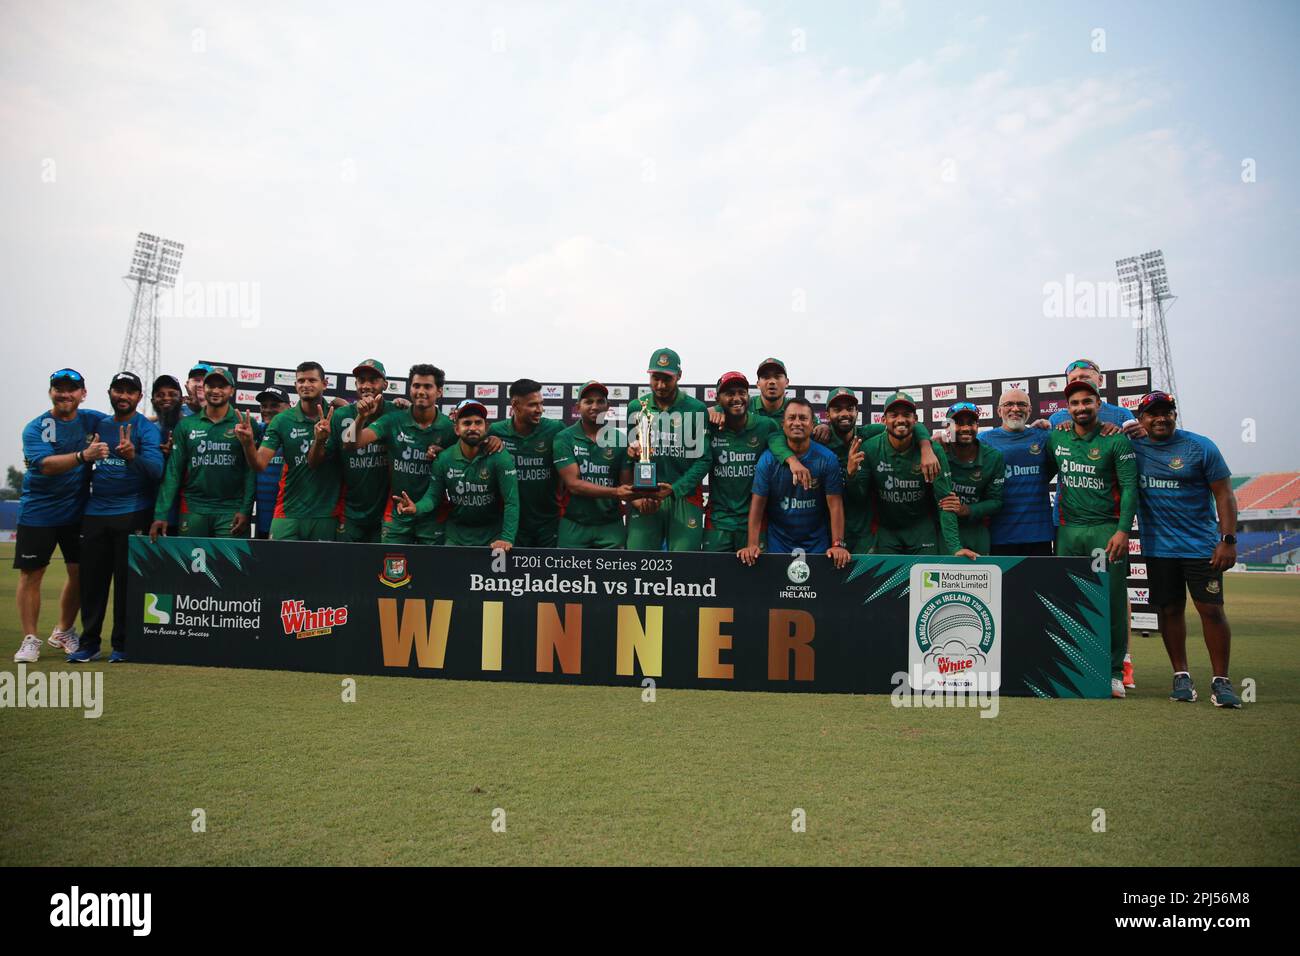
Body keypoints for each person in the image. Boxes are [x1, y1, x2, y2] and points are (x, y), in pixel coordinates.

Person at [1131, 391, 1242, 708]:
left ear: (1175, 415)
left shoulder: (1200, 446)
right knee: (1169, 611)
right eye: (1152, 413)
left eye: (1166, 412)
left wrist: (1228, 539)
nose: (1160, 418)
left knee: (1211, 610)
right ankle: (1181, 675)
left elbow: (1225, 495)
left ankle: (1221, 680)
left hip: (1202, 548)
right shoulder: (1132, 447)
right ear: (1141, 419)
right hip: (1158, 548)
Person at [1045, 379, 1139, 699]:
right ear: (1067, 409)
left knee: (1110, 601)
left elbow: (1129, 489)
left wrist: (1123, 531)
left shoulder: (1116, 440)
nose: (1081, 408)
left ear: (1098, 404)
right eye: (1075, 403)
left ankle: (1113, 672)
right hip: (1068, 530)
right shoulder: (1056, 436)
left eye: (1087, 402)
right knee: (1068, 598)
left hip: (1104, 530)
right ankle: (1072, 664)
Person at [12, 369, 107, 663]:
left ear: (83, 393)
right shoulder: (36, 427)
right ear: (51, 391)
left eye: (71, 389)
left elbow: (125, 423)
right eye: (59, 388)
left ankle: (64, 630)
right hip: (38, 512)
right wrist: (82, 456)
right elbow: (45, 465)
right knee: (32, 574)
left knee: (80, 573)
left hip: (77, 512)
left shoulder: (91, 418)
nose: (65, 394)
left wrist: (166, 422)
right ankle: (30, 639)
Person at [71, 372, 163, 663]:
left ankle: (121, 645)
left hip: (132, 512)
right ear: (109, 392)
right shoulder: (97, 423)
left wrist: (132, 456)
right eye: (118, 390)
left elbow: (157, 472)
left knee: (125, 585)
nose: (124, 396)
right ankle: (89, 644)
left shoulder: (145, 429)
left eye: (130, 392)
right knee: (92, 583)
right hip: (95, 513)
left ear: (139, 397)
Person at [809, 386, 941, 553]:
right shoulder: (820, 439)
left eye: (850, 409)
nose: (844, 414)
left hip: (863, 528)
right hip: (826, 525)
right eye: (837, 410)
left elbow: (912, 425)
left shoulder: (868, 434)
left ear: (857, 412)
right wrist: (821, 426)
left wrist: (925, 446)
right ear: (827, 415)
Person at [856, 393, 974, 558]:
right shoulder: (870, 447)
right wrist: (851, 475)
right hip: (887, 530)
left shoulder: (934, 451)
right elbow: (858, 497)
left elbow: (945, 502)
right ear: (883, 420)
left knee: (925, 582)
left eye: (906, 414)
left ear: (916, 419)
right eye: (894, 415)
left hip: (921, 530)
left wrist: (955, 547)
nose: (900, 419)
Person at [738, 398, 851, 568]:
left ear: (813, 425)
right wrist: (752, 544)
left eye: (803, 418)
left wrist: (838, 545)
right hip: (778, 544)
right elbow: (757, 505)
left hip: (818, 545)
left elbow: (835, 505)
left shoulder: (827, 459)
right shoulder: (767, 460)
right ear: (783, 424)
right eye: (791, 418)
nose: (797, 423)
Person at [350, 364, 456, 545]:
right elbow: (353, 442)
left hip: (433, 516)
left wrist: (445, 454)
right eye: (416, 386)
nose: (421, 391)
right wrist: (361, 417)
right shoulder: (394, 420)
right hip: (397, 513)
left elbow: (466, 460)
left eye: (427, 386)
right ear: (410, 388)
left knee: (434, 571)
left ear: (439, 392)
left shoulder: (448, 427)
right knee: (390, 571)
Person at [237, 361, 341, 541]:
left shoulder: (339, 416)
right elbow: (259, 464)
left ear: (324, 384)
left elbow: (315, 462)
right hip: (289, 511)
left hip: (326, 514)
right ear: (295, 385)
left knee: (323, 569)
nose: (306, 385)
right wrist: (247, 444)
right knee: (279, 568)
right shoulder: (282, 420)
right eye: (301, 381)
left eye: (312, 380)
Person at [395, 400, 519, 549]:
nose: (473, 428)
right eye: (466, 423)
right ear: (456, 429)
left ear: (486, 427)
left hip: (493, 535)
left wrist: (506, 538)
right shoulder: (444, 459)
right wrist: (417, 508)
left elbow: (511, 501)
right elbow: (433, 497)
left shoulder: (499, 456)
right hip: (456, 535)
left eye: (478, 423)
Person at [150, 367, 255, 541]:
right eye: (211, 386)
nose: (215, 391)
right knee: (191, 567)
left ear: (232, 391)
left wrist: (245, 510)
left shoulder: (244, 423)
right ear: (203, 389)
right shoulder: (186, 425)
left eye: (222, 386)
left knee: (230, 566)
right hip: (193, 508)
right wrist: (161, 514)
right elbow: (173, 472)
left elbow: (251, 471)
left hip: (231, 510)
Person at [626, 348, 712, 551]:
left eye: (667, 378)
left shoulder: (696, 409)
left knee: (684, 567)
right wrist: (632, 455)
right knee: (639, 562)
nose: (660, 385)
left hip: (684, 495)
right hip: (647, 495)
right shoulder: (636, 407)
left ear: (679, 376)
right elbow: (631, 456)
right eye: (655, 377)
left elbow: (704, 459)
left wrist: (675, 489)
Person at [705, 372, 783, 553]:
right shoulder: (709, 424)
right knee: (714, 578)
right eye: (729, 393)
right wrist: (707, 411)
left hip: (755, 521)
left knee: (755, 580)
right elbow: (687, 415)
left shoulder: (766, 425)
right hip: (719, 520)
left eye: (741, 392)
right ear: (718, 399)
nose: (737, 398)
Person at [552, 381, 636, 549]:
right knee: (568, 575)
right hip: (573, 523)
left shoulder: (620, 439)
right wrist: (616, 492)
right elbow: (574, 485)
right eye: (588, 401)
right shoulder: (564, 438)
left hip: (611, 525)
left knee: (613, 575)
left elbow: (626, 485)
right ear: (577, 407)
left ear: (608, 406)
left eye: (600, 401)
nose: (595, 406)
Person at [489, 378, 565, 547]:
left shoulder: (555, 428)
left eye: (541, 404)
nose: (540, 410)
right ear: (515, 405)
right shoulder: (495, 431)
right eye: (533, 405)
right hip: (512, 522)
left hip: (549, 520)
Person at [332, 359, 400, 543]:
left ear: (385, 384)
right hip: (350, 512)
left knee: (381, 570)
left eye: (373, 380)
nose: (367, 385)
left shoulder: (398, 412)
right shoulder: (341, 415)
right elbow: (339, 451)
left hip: (387, 514)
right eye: (362, 380)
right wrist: (362, 417)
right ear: (356, 384)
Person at [980, 388, 1055, 556]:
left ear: (1029, 410)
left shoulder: (1044, 437)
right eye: (1009, 404)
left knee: (1040, 583)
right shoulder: (983, 440)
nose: (1015, 409)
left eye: (1021, 404)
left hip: (1038, 534)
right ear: (999, 411)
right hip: (999, 534)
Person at [940, 402, 1006, 555]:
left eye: (971, 423)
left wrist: (967, 510)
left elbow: (996, 502)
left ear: (977, 425)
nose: (965, 428)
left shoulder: (993, 457)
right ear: (948, 427)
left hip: (976, 528)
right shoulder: (938, 454)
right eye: (958, 423)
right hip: (943, 529)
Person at [252, 386, 290, 539]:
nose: (267, 410)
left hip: (288, 514)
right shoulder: (257, 431)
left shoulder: (296, 431)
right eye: (263, 406)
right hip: (263, 514)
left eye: (274, 405)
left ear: (289, 407)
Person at [150, 373, 185, 535]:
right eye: (160, 395)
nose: (166, 398)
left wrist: (177, 454)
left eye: (172, 394)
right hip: (151, 511)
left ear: (182, 399)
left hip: (187, 514)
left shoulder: (192, 426)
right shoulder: (147, 429)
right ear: (152, 401)